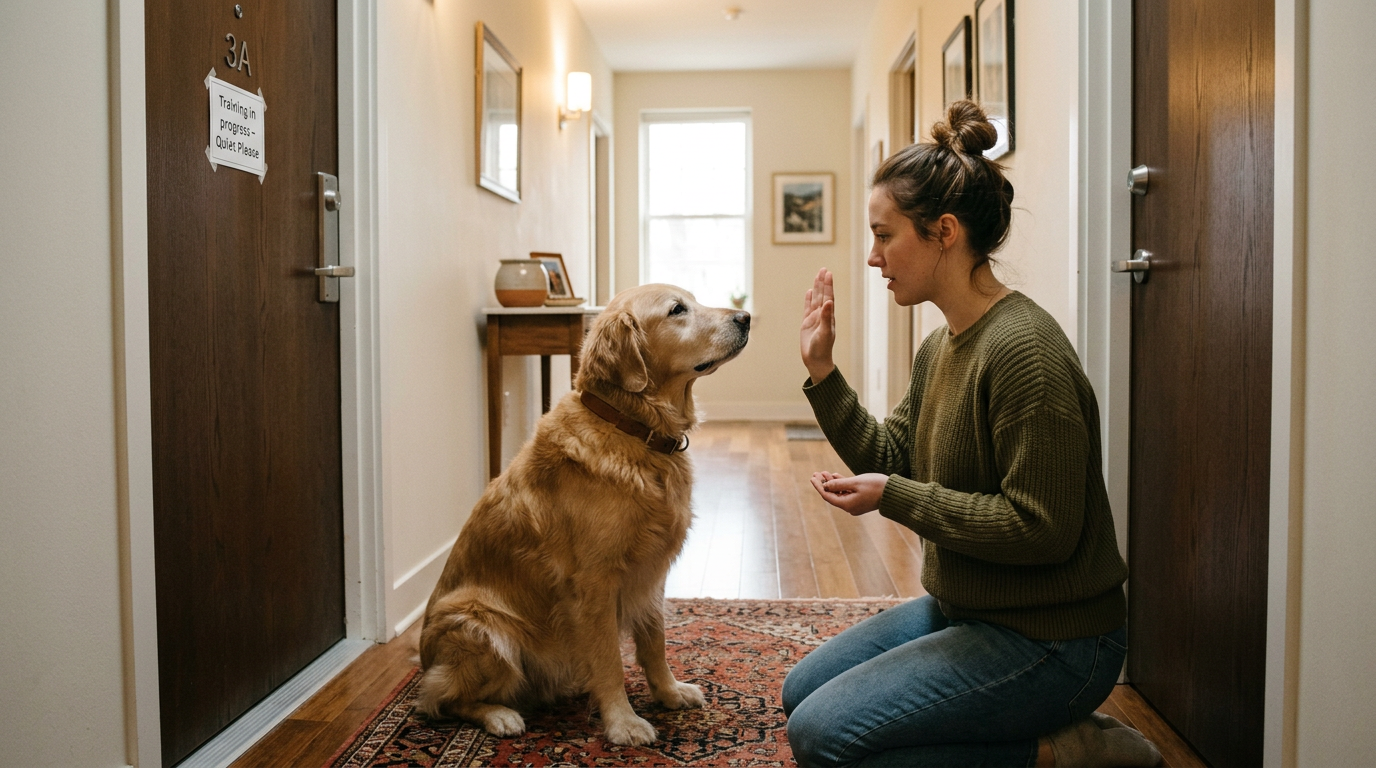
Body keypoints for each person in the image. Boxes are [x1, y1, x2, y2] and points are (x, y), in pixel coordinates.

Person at [784, 101, 1162, 768]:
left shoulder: (1024, 353)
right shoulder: (943, 346)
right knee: (802, 692)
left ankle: (1063, 749)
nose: (873, 258)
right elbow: (893, 456)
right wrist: (824, 372)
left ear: (944, 232)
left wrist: (893, 495)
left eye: (884, 235)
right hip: (970, 609)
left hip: (1055, 641)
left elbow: (1042, 527)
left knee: (824, 738)